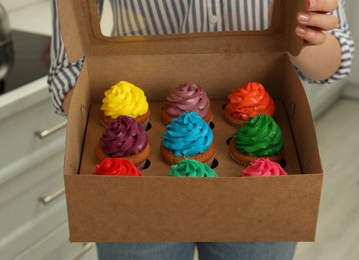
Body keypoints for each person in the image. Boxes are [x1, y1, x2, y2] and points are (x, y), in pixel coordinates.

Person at [48, 0, 354, 259]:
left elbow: (338, 58)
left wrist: (305, 31)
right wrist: (112, 107)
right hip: (134, 197)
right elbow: (67, 71)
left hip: (260, 195)